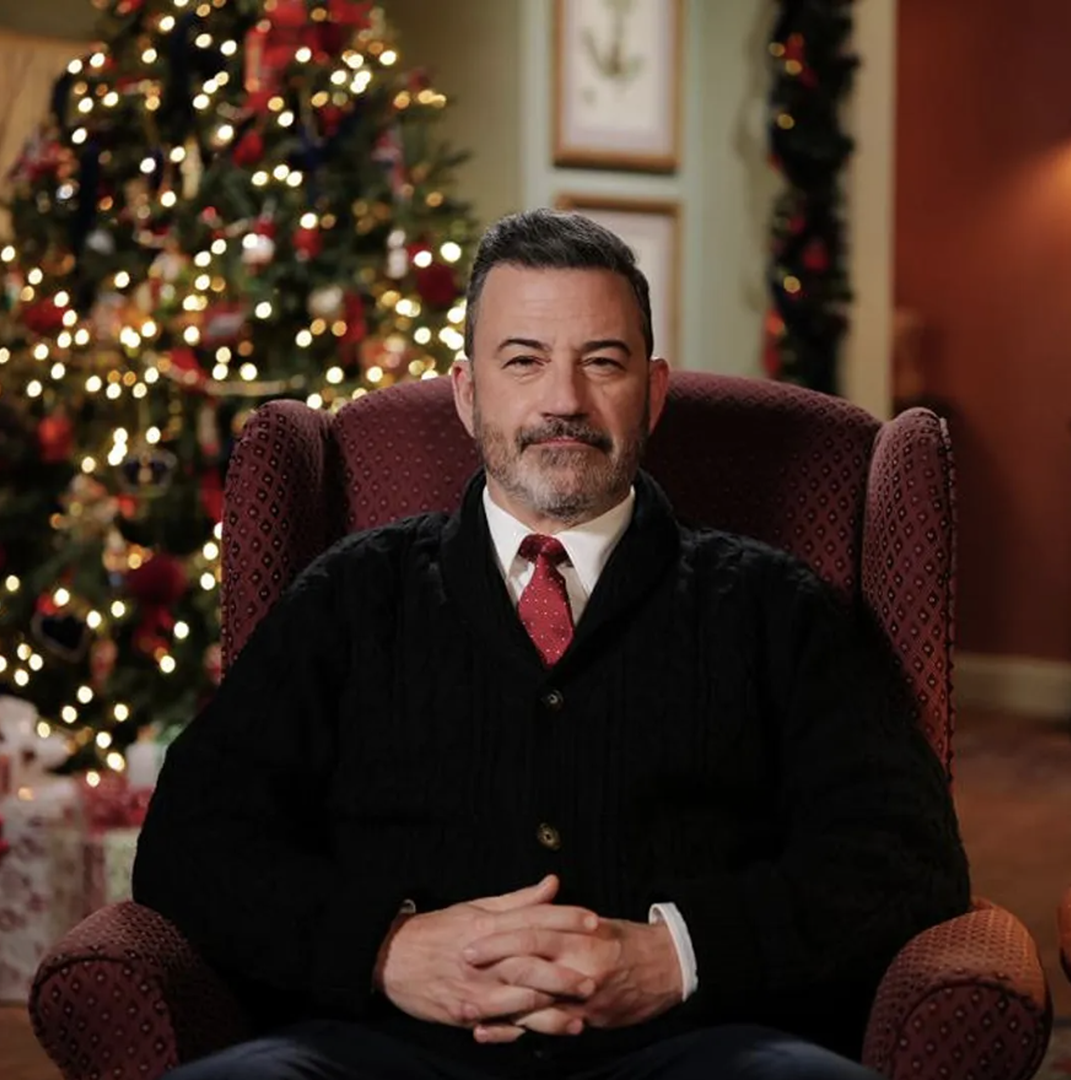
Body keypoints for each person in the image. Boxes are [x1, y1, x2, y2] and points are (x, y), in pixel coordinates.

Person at [134, 209, 969, 1080]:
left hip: (697, 1049)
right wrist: (384, 947)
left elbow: (905, 854)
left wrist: (675, 955)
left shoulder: (775, 607)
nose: (564, 401)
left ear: (652, 391)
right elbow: (193, 840)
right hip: (376, 1050)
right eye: (524, 360)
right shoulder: (349, 597)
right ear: (467, 392)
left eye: (601, 362)